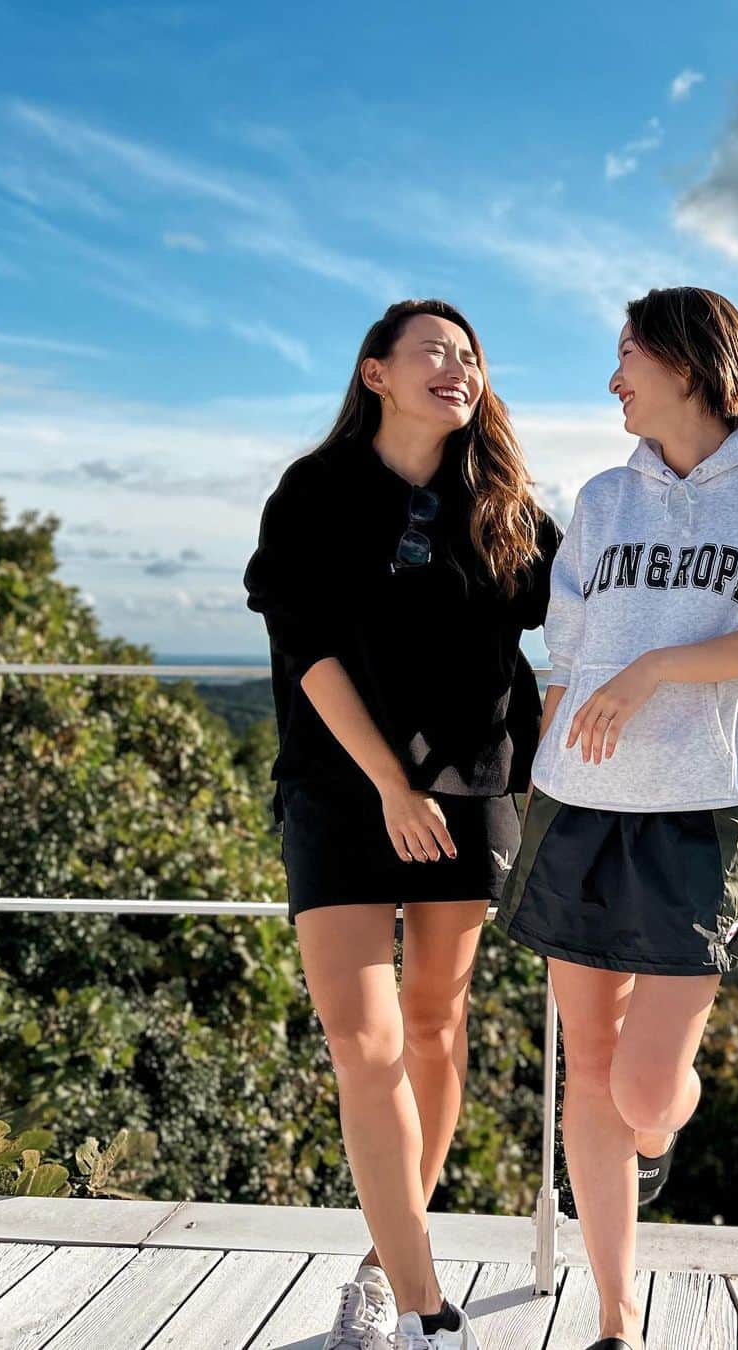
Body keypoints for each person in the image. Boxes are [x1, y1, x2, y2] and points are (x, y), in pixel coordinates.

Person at [494, 286, 738, 1350]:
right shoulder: (605, 496)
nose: (613, 380)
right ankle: (615, 1314)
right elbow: (566, 639)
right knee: (584, 1064)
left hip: (702, 810)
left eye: (627, 359)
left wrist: (654, 669)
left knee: (644, 1087)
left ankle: (657, 1138)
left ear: (688, 365)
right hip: (579, 805)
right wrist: (547, 746)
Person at [244, 299, 561, 1350]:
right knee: (362, 1042)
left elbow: (593, 610)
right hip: (342, 792)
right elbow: (309, 651)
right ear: (374, 372)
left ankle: (387, 1263)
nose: (457, 367)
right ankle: (427, 1309)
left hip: (472, 794)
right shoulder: (317, 491)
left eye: (470, 355)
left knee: (433, 1023)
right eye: (434, 349)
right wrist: (388, 782)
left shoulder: (502, 501)